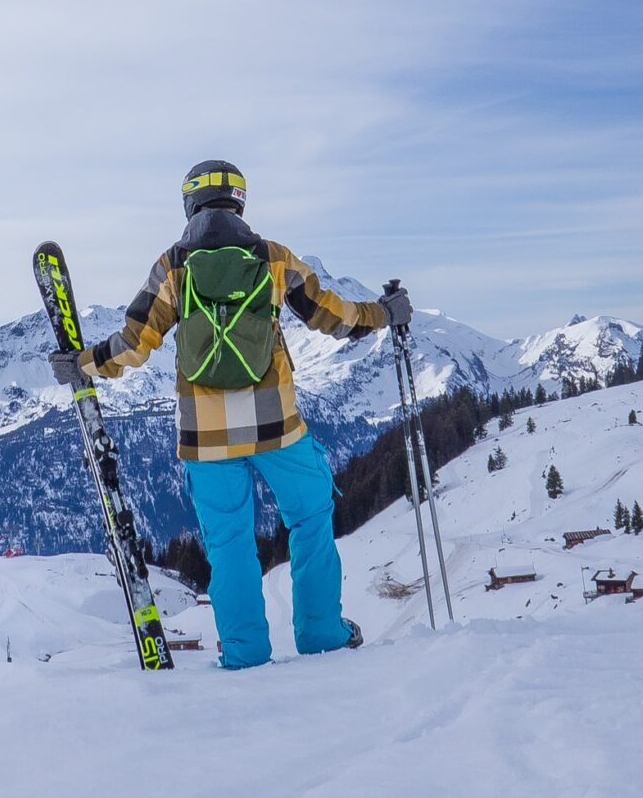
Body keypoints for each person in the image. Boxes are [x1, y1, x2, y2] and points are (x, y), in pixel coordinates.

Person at [50, 160, 412, 669]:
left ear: (189, 204)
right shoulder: (273, 259)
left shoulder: (173, 266)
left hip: (205, 438)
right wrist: (385, 312)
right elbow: (336, 318)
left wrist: (81, 364)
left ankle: (244, 652)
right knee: (310, 520)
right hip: (279, 429)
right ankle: (322, 635)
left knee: (229, 544)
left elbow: (135, 344)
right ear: (240, 202)